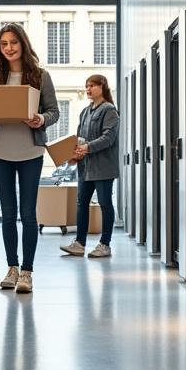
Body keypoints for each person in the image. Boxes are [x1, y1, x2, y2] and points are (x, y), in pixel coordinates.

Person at [0, 23, 59, 293]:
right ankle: (12, 268)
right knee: (7, 214)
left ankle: (27, 272)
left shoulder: (40, 76)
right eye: (3, 44)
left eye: (13, 43)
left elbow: (54, 112)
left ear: (23, 43)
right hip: (0, 152)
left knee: (28, 214)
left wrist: (40, 119)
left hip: (30, 152)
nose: (8, 48)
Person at [61, 75, 120, 259]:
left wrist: (86, 147)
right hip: (85, 167)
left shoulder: (109, 110)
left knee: (104, 203)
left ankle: (105, 244)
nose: (88, 89)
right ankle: (79, 243)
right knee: (81, 204)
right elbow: (80, 138)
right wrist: (75, 152)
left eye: (92, 85)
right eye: (86, 86)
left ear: (102, 87)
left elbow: (108, 138)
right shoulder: (85, 112)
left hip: (103, 167)